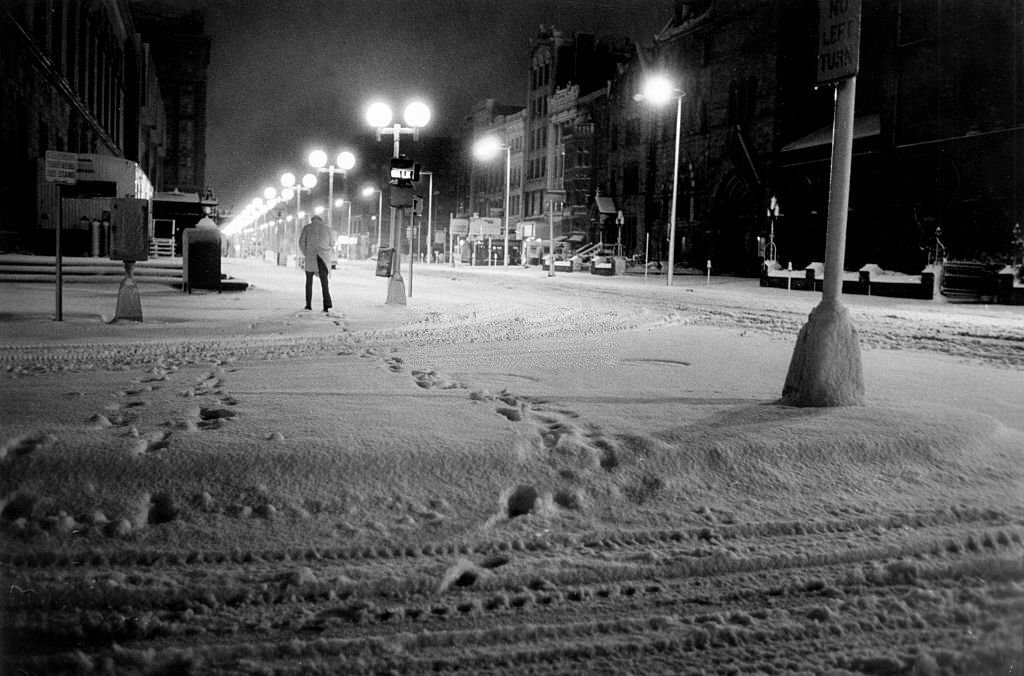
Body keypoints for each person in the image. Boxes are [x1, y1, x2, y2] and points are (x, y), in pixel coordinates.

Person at [299, 215, 333, 312]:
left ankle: (308, 305)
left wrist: (306, 253)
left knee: (309, 283)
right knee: (324, 283)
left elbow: (301, 242)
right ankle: (326, 305)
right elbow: (332, 242)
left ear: (312, 220)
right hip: (323, 258)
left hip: (311, 257)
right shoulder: (327, 228)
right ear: (321, 220)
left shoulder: (307, 228)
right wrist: (326, 249)